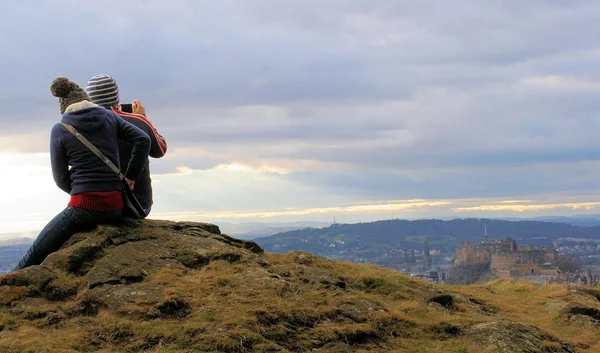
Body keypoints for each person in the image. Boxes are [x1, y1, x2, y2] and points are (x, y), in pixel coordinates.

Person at [14, 77, 150, 271]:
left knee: (35, 252)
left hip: (82, 209)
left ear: (64, 107)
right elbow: (143, 140)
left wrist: (82, 191)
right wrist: (130, 177)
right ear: (87, 100)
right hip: (115, 208)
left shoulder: (60, 130)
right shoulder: (109, 117)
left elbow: (60, 180)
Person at [86, 74, 167, 215]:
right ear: (116, 96)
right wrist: (142, 118)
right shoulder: (136, 121)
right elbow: (160, 150)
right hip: (138, 206)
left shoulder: (81, 126)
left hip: (95, 205)